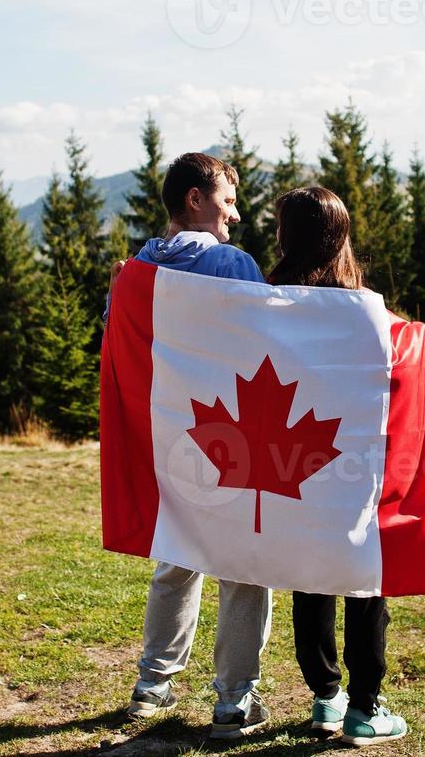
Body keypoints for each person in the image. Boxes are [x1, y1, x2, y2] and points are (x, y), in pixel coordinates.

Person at [116, 152, 274, 740]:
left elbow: (121, 344)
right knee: (245, 565)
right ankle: (233, 700)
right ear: (195, 200)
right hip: (232, 430)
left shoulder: (138, 268)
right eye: (228, 201)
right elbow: (267, 343)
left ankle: (152, 685)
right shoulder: (233, 263)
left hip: (168, 438)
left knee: (176, 558)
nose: (235, 214)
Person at [266, 186, 409, 747]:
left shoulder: (264, 303)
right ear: (339, 237)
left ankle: (326, 698)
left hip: (289, 460)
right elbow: (397, 376)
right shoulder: (366, 309)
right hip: (355, 464)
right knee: (363, 579)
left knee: (311, 574)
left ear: (287, 237)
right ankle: (365, 708)